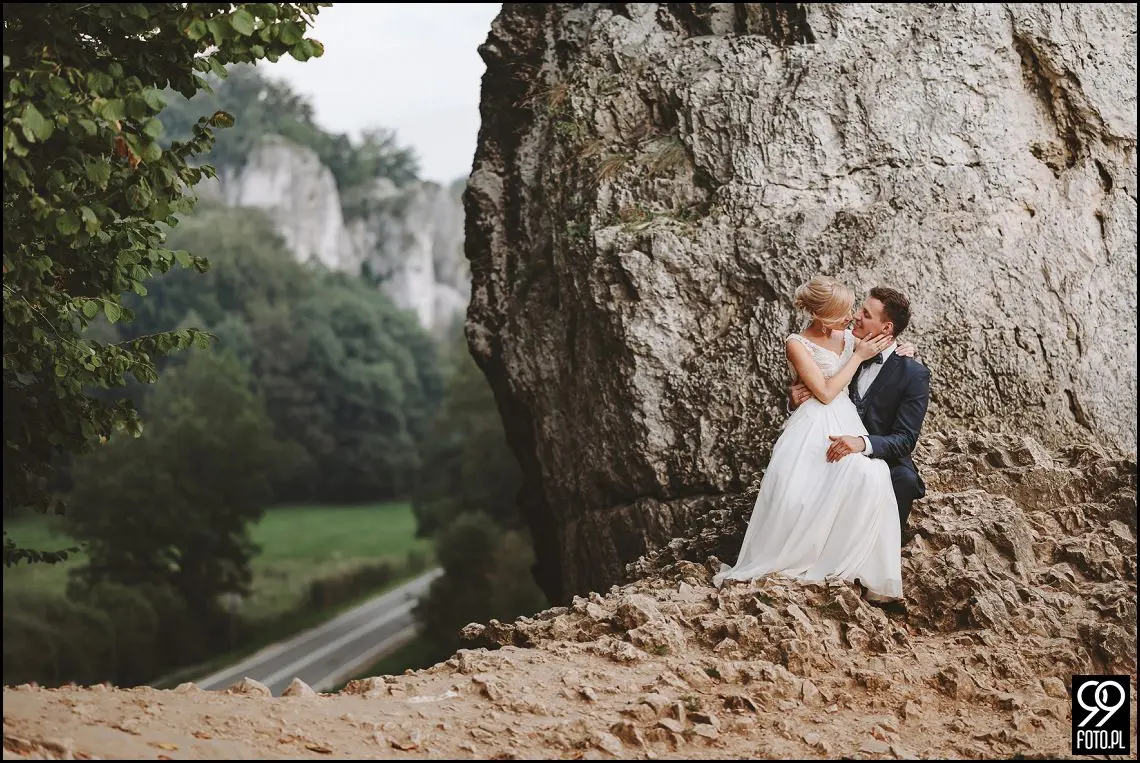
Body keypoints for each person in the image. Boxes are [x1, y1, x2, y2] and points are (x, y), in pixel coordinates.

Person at [713, 276, 905, 601]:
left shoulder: (848, 337)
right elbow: (827, 392)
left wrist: (904, 348)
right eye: (844, 313)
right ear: (823, 316)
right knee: (803, 493)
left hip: (847, 421)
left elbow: (884, 344)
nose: (851, 318)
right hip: (814, 421)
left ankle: (861, 567)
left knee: (868, 477)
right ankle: (806, 558)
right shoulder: (797, 344)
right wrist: (855, 358)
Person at [790, 285, 930, 535]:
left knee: (903, 479)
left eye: (865, 314)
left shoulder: (913, 373)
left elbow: (906, 439)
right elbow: (821, 382)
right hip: (831, 437)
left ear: (886, 328)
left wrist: (861, 443)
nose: (856, 316)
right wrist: (795, 398)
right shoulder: (845, 346)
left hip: (878, 450)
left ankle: (881, 549)